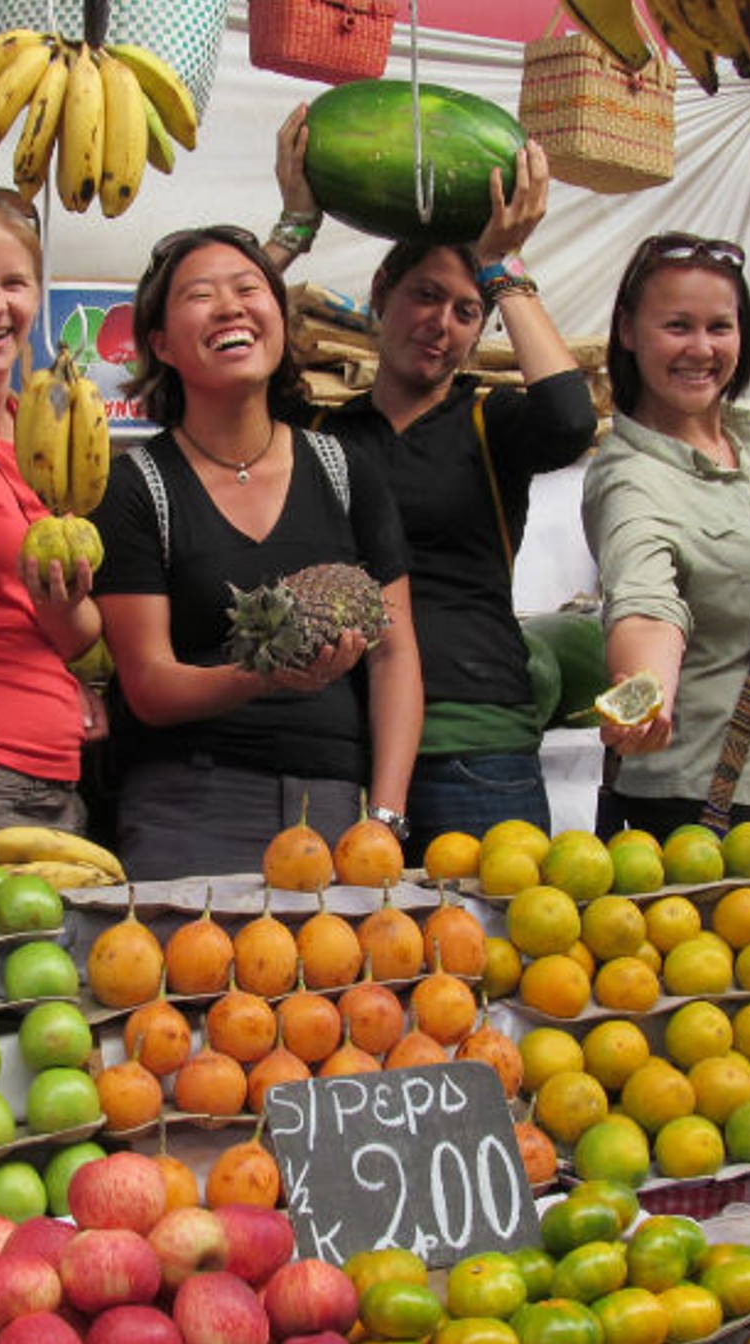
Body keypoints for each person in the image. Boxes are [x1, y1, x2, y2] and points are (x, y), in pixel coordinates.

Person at [267, 109, 598, 863]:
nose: (441, 323)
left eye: (464, 311)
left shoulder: (492, 421)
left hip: (476, 748)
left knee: (488, 970)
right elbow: (210, 359)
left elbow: (572, 420)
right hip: (339, 740)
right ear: (382, 293)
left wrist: (503, 267)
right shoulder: (318, 430)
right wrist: (292, 228)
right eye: (424, 295)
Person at [90, 225, 423, 880]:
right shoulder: (135, 488)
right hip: (187, 808)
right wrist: (263, 675)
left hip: (331, 804)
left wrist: (383, 817)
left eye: (250, 288)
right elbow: (149, 684)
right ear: (160, 343)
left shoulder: (345, 470)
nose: (232, 306)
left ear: (277, 317)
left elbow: (396, 653)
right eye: (200, 295)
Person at [582, 231, 750, 839]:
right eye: (677, 326)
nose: (702, 348)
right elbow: (646, 606)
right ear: (627, 331)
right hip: (719, 813)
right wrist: (645, 695)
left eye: (720, 327)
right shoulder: (631, 480)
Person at [0, 186, 105, 875]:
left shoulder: (43, 441)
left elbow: (74, 633)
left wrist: (59, 602)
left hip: (54, 781)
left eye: (13, 282)